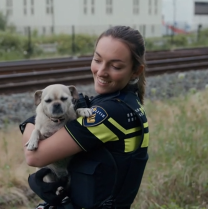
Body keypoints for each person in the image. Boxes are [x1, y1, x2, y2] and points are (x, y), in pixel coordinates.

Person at [19, 26, 149, 209]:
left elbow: (34, 157)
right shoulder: (126, 102)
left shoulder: (107, 114)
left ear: (136, 71)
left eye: (116, 66)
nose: (101, 71)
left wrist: (31, 124)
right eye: (97, 59)